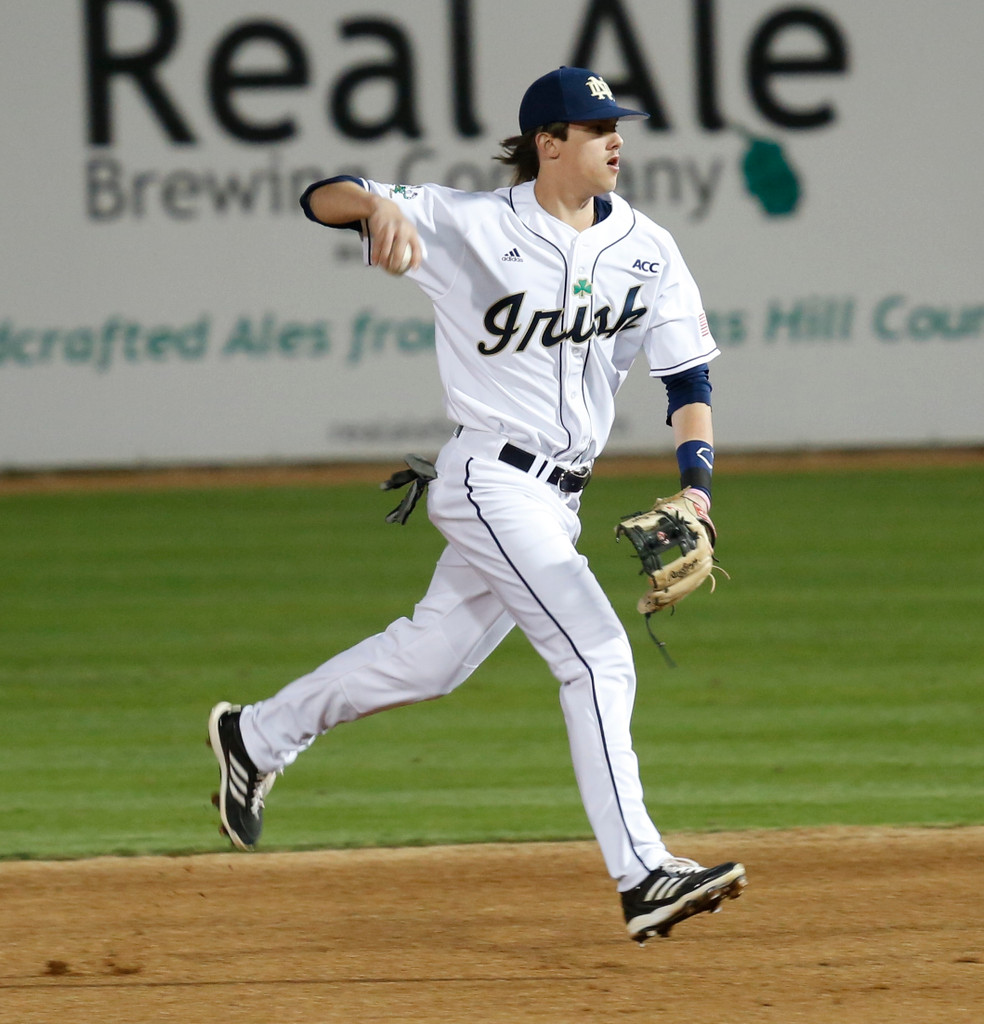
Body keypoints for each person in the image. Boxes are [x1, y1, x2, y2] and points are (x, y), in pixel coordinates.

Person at [208, 66, 746, 944]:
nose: (617, 140)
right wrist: (375, 209)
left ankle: (257, 736)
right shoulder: (470, 224)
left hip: (557, 499)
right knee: (599, 655)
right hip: (489, 478)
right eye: (596, 126)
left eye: (619, 126)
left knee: (432, 661)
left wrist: (699, 486)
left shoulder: (648, 246)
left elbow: (686, 374)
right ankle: (644, 873)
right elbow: (321, 197)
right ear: (549, 143)